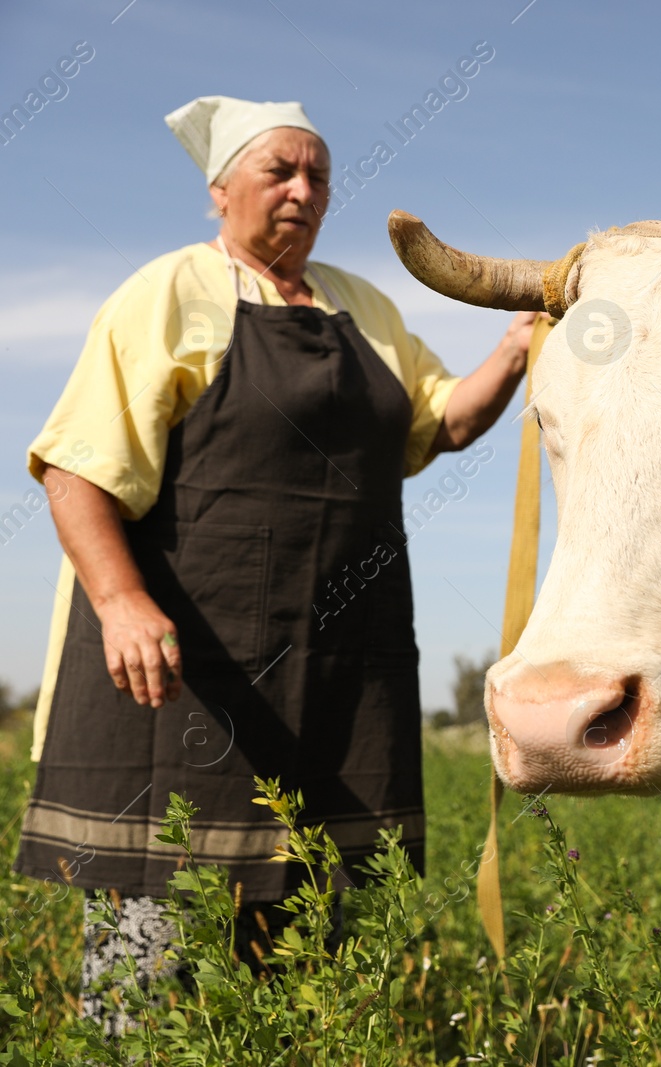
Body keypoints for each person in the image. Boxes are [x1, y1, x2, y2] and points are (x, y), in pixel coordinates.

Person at [11, 96, 542, 1034]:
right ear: (221, 192)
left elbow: (442, 421)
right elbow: (75, 467)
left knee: (305, 971)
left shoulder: (363, 304)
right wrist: (122, 598)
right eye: (279, 172)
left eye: (320, 176)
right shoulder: (167, 290)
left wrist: (514, 345)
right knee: (151, 975)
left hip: (339, 676)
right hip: (183, 681)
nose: (304, 191)